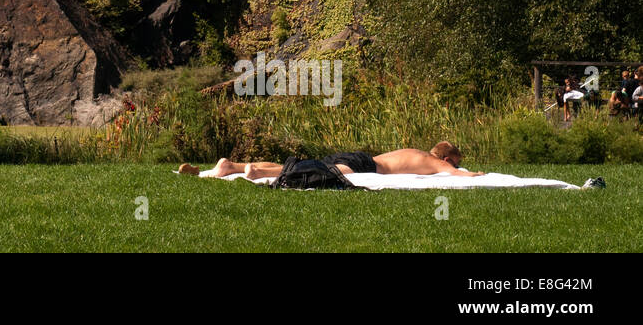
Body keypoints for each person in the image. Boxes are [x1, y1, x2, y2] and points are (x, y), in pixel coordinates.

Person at [179, 141, 484, 179]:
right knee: (315, 170)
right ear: (446, 158)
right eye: (455, 161)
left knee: (310, 163)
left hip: (360, 157)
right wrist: (478, 174)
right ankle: (252, 171)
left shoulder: (414, 152)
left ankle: (231, 166)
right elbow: (460, 176)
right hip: (365, 165)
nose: (455, 166)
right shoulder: (433, 163)